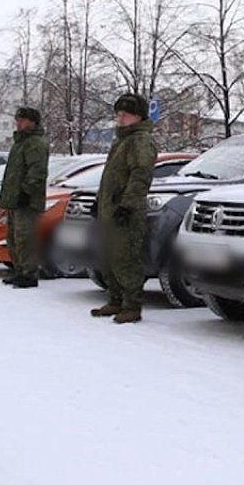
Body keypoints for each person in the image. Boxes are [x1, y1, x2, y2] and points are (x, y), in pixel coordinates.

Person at [89, 93, 157, 323]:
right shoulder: (122, 140)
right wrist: (100, 202)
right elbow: (110, 177)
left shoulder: (140, 141)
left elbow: (140, 176)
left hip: (127, 211)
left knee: (125, 258)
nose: (120, 118)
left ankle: (131, 305)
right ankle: (115, 299)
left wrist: (127, 206)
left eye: (124, 114)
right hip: (111, 209)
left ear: (137, 116)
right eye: (118, 114)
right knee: (109, 257)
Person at [0, 107, 49, 288]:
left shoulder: (34, 142)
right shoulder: (20, 142)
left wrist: (26, 192)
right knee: (13, 236)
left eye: (22, 120)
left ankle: (29, 273)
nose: (18, 123)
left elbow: (37, 170)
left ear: (32, 122)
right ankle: (19, 269)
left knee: (25, 237)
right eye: (17, 119)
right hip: (15, 198)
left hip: (26, 199)